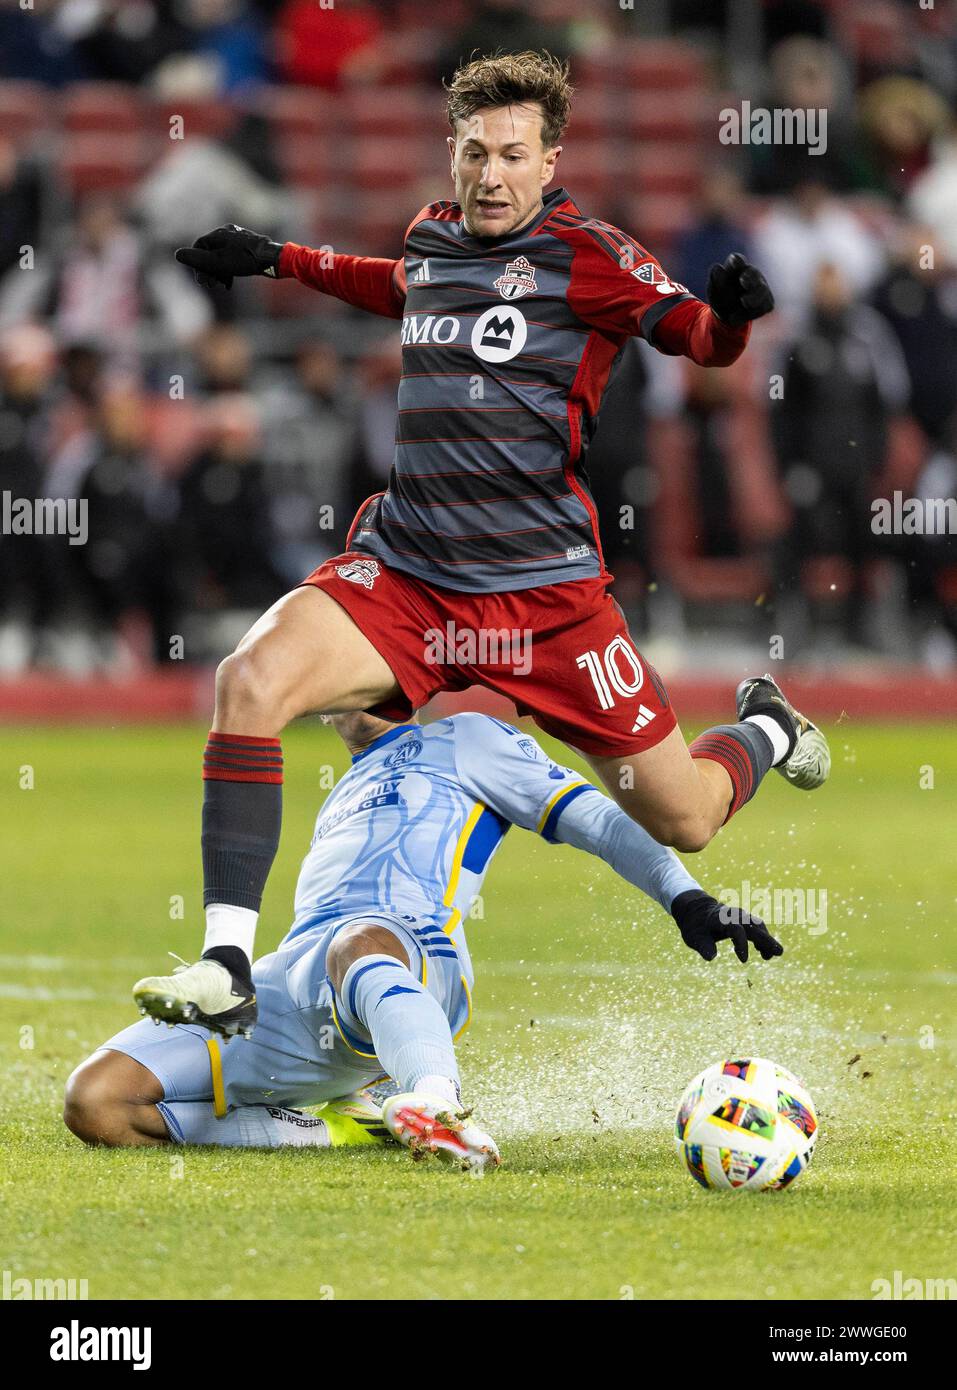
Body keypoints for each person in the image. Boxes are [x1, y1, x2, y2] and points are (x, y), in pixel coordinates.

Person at [150, 49, 827, 1037]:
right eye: (475, 152)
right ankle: (225, 961)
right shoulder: (434, 233)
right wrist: (277, 259)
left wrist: (729, 320)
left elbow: (690, 334)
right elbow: (401, 285)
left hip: (548, 602)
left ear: (550, 159)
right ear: (453, 154)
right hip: (412, 573)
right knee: (249, 682)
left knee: (686, 818)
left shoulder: (590, 253)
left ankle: (768, 727)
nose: (491, 174)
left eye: (513, 154)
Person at [66, 712, 782, 1172]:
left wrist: (686, 898)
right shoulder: (347, 784)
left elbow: (597, 821)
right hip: (301, 977)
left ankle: (435, 1102)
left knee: (359, 938)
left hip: (411, 957)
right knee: (95, 1103)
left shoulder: (470, 738)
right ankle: (331, 1130)